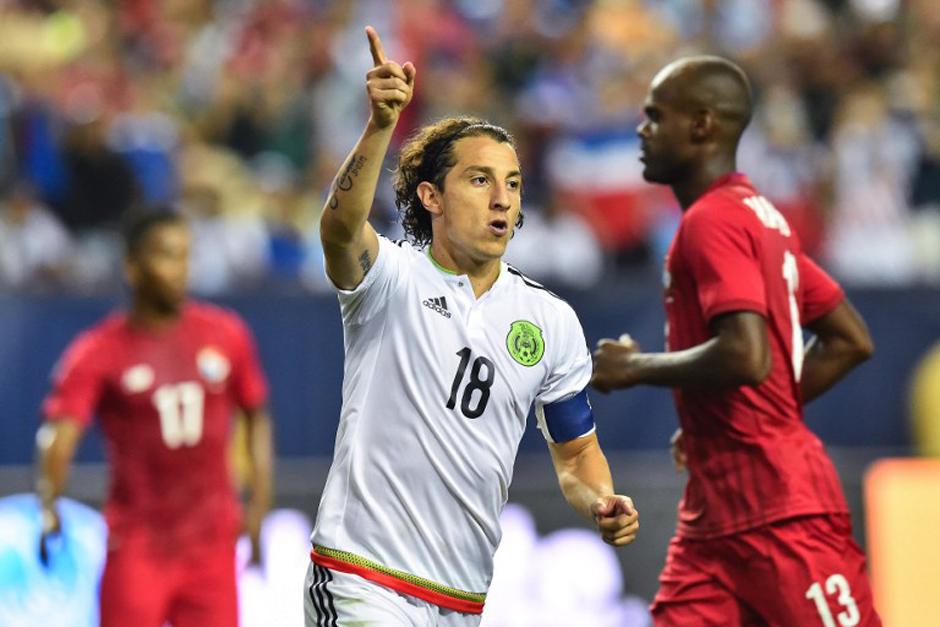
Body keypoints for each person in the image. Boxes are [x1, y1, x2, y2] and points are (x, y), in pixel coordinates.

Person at [304, 27, 639, 626]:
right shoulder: (391, 278)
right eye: (480, 180)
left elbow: (576, 454)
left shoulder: (550, 322)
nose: (502, 199)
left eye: (513, 183)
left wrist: (600, 499)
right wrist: (381, 126)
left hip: (460, 601)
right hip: (360, 578)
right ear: (431, 197)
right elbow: (338, 231)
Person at [591, 56, 881, 626]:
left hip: (780, 513)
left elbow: (747, 354)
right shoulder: (763, 218)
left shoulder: (712, 221)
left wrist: (635, 366)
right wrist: (732, 416)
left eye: (656, 116)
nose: (642, 130)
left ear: (702, 124)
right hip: (714, 521)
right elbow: (849, 339)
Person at [35, 211, 274, 627]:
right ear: (133, 267)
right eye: (166, 255)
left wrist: (258, 503)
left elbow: (255, 416)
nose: (180, 270)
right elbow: (60, 431)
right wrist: (49, 502)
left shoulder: (225, 334)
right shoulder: (99, 350)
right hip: (138, 543)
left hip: (210, 543)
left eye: (185, 256)